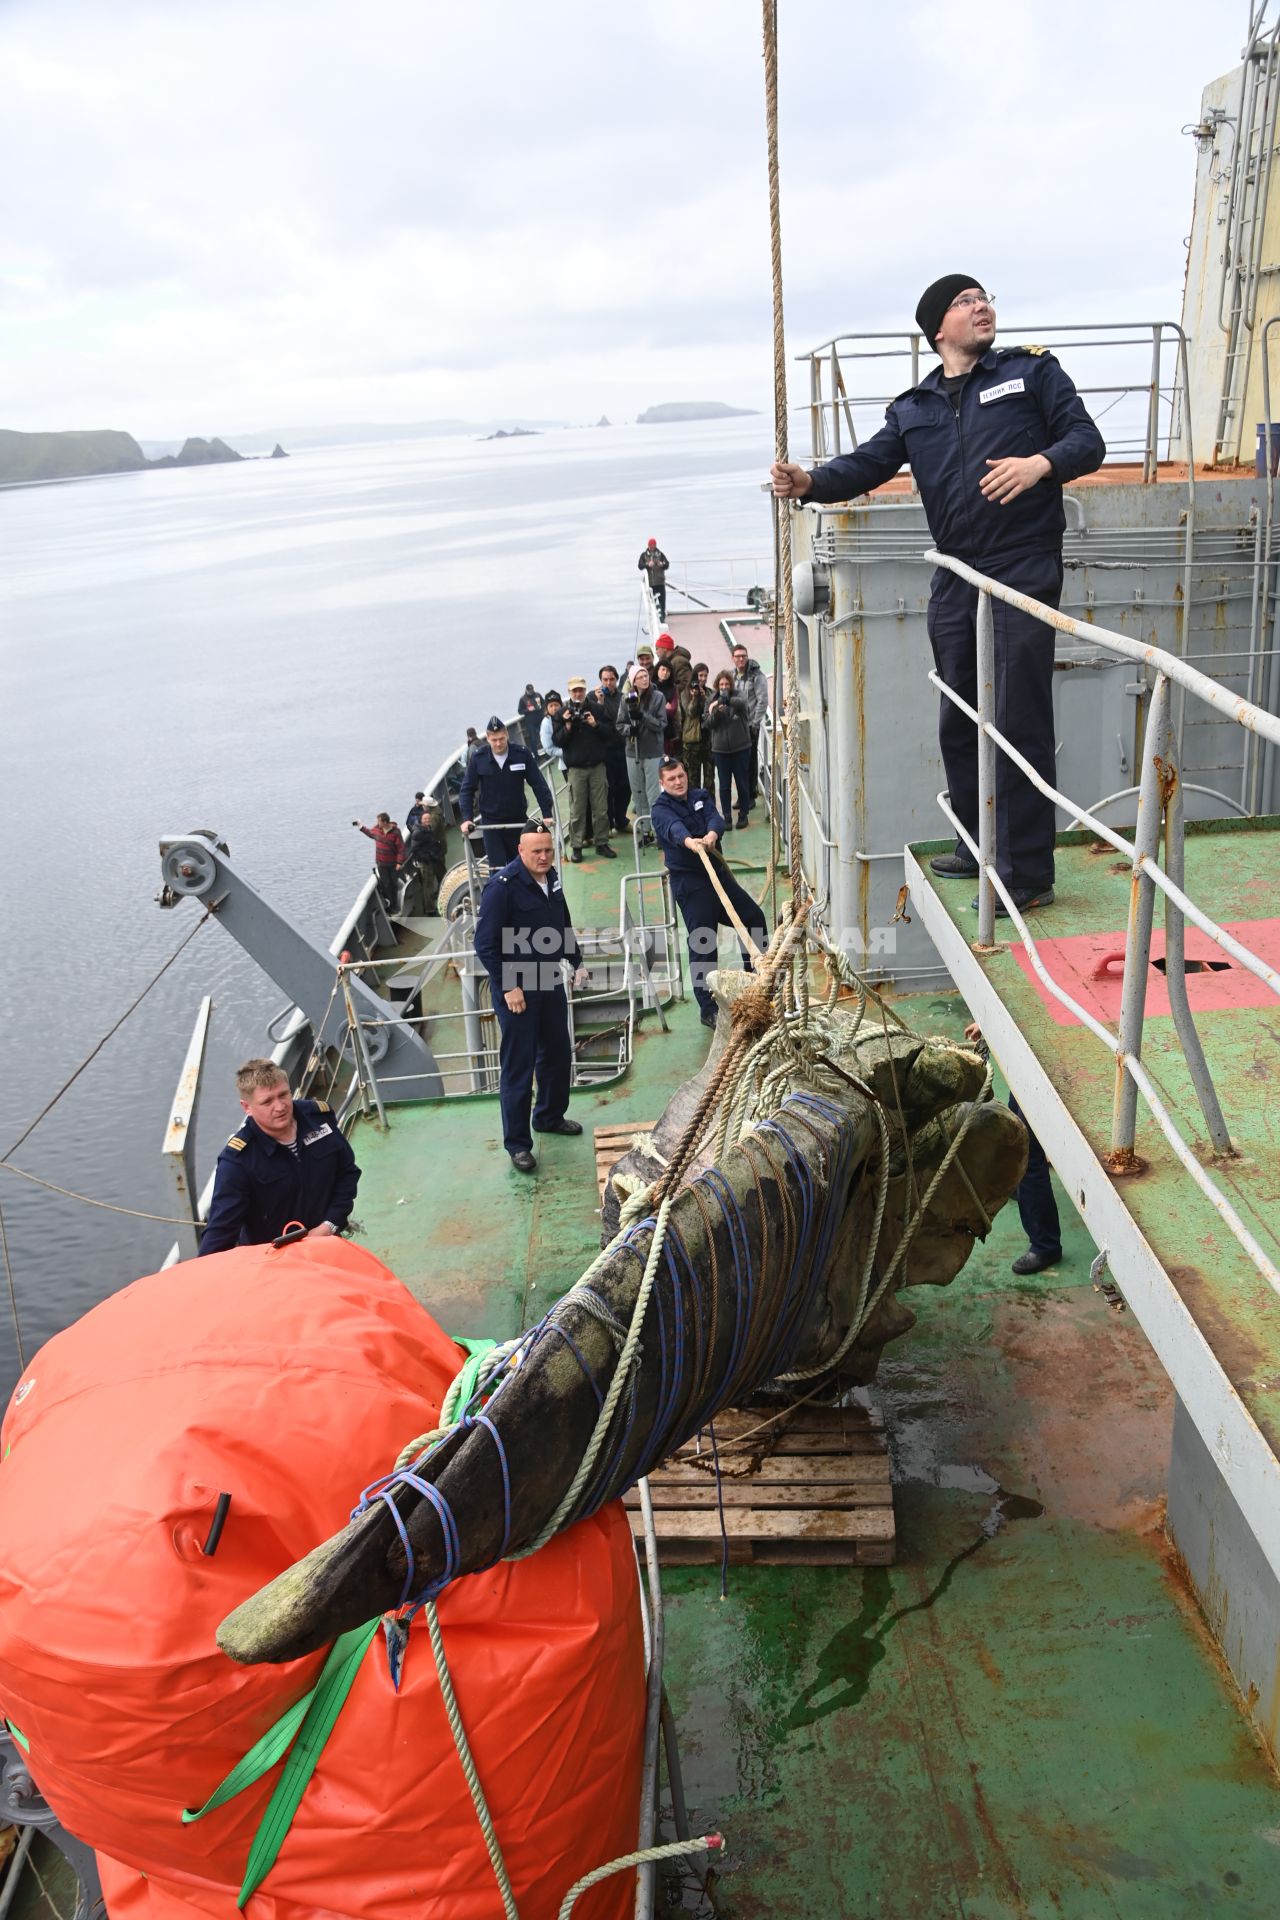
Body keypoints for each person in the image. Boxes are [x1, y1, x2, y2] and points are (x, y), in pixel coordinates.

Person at [772, 276, 1105, 912]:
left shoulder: (1032, 374)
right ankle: (975, 842)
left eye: (985, 298)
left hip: (1020, 565)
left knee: (1018, 719)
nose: (982, 307)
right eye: (965, 302)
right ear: (937, 330)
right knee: (959, 714)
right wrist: (810, 480)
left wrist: (1042, 464)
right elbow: (868, 464)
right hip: (956, 570)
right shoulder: (915, 405)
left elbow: (1086, 442)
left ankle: (1028, 872)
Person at [474, 821, 589, 1173]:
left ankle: (549, 1116)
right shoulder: (502, 887)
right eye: (536, 851)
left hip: (548, 979)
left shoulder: (551, 878)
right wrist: (509, 986)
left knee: (556, 1053)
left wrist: (576, 961)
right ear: (520, 851)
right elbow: (486, 944)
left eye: (547, 850)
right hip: (518, 990)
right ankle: (518, 1145)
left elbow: (561, 923)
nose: (543, 856)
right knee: (519, 1068)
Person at [651, 758, 769, 1030]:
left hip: (719, 875)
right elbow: (673, 828)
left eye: (680, 775)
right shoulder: (660, 809)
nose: (678, 782)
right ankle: (708, 1008)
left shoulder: (699, 796)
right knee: (704, 942)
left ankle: (758, 980)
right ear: (662, 783)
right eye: (671, 779)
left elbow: (714, 817)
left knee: (753, 918)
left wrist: (713, 834)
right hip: (691, 884)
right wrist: (690, 842)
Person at [200, 1059, 360, 1254]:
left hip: (327, 1241)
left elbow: (347, 1174)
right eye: (267, 1101)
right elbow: (220, 1233)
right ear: (247, 1107)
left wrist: (329, 1225)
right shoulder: (238, 1161)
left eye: (283, 1094)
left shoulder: (319, 1118)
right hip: (275, 1262)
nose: (280, 1106)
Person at [964, 1025, 1063, 1273]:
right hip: (1033, 1059)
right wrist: (988, 1021)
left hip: (1043, 1063)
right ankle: (1021, 1191)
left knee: (1028, 1155)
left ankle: (1045, 1245)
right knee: (1016, 1127)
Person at [459, 715, 555, 871]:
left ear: (507, 735)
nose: (498, 743)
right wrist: (467, 818)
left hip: (517, 821)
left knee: (523, 867)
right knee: (497, 871)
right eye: (494, 740)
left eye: (501, 739)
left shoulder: (521, 755)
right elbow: (466, 789)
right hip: (491, 824)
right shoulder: (479, 758)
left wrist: (546, 813)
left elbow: (538, 784)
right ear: (488, 738)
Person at [552, 675, 617, 864]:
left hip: (597, 766)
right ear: (569, 692)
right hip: (576, 769)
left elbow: (610, 734)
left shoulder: (596, 709)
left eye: (581, 690)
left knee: (601, 808)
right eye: (575, 691)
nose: (578, 694)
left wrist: (595, 724)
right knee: (577, 810)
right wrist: (568, 726)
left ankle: (602, 843)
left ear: (584, 689)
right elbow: (557, 741)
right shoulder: (561, 713)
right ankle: (577, 846)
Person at [617, 662, 667, 833]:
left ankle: (659, 829)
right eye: (640, 677)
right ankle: (645, 831)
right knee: (638, 793)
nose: (644, 679)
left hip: (653, 751)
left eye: (646, 675)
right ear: (633, 681)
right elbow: (620, 724)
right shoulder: (626, 699)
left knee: (654, 793)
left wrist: (643, 716)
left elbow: (661, 724)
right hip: (633, 752)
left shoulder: (658, 697)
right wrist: (629, 729)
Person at [705, 669, 753, 829]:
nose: (724, 687)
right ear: (717, 686)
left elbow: (742, 704)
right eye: (721, 684)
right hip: (721, 751)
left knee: (742, 783)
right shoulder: (711, 699)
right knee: (724, 785)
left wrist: (725, 701)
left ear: (730, 685)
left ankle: (743, 814)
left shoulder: (738, 695)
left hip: (740, 748)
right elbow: (708, 723)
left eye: (726, 684)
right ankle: (726, 816)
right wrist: (717, 711)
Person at [730, 642, 769, 806]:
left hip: (749, 727)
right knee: (737, 763)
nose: (741, 659)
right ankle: (742, 796)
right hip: (735, 727)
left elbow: (762, 701)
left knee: (750, 762)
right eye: (737, 656)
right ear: (732, 658)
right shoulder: (732, 676)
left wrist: (755, 724)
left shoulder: (756, 676)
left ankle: (750, 796)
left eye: (743, 656)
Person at [597, 664, 631, 833]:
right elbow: (597, 722)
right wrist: (600, 704)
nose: (609, 682)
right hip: (606, 751)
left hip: (624, 748)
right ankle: (609, 823)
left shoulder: (623, 697)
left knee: (625, 786)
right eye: (605, 679)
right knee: (609, 789)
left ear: (617, 680)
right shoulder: (593, 698)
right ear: (600, 680)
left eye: (612, 679)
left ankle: (621, 819)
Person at [400, 800, 447, 915]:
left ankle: (434, 904)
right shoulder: (418, 832)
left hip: (431, 859)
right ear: (421, 820)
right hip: (426, 862)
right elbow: (415, 849)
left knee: (431, 884)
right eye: (425, 819)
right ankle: (430, 910)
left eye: (428, 818)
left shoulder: (428, 828)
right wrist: (426, 857)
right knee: (428, 886)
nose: (427, 820)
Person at [355, 811, 405, 912]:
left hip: (393, 864)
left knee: (393, 885)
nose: (378, 823)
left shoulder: (395, 832)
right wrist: (361, 827)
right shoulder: (377, 829)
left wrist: (399, 862)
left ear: (385, 822)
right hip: (381, 864)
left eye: (379, 821)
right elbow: (370, 833)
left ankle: (395, 906)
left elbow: (401, 848)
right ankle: (389, 906)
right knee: (386, 885)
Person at [679, 667, 712, 792]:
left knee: (709, 780)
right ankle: (695, 809)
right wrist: (695, 698)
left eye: (705, 676)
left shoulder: (709, 692)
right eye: (700, 676)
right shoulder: (685, 693)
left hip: (708, 741)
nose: (703, 679)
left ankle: (709, 808)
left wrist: (704, 698)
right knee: (693, 781)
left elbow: (712, 712)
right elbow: (690, 713)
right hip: (692, 743)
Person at [654, 657, 681, 756]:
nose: (665, 673)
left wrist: (657, 707)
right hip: (653, 732)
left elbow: (672, 711)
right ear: (657, 670)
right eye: (663, 669)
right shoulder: (651, 687)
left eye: (668, 671)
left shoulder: (673, 688)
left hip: (667, 732)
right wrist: (664, 706)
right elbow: (648, 709)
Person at [638, 537, 669, 617]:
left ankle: (662, 617)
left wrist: (662, 564)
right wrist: (647, 565)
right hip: (651, 584)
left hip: (660, 582)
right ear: (648, 545)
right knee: (652, 602)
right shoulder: (644, 555)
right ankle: (654, 617)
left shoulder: (660, 554)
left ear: (655, 545)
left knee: (662, 602)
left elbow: (667, 564)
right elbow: (640, 566)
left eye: (653, 545)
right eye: (650, 545)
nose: (652, 547)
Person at [517, 684, 545, 755]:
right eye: (529, 690)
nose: (531, 692)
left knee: (543, 736)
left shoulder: (537, 695)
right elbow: (520, 711)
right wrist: (528, 710)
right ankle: (536, 756)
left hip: (540, 719)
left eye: (532, 690)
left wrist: (541, 707)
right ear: (526, 690)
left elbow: (544, 703)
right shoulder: (523, 699)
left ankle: (547, 753)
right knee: (533, 739)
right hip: (530, 722)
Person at [540, 690, 564, 770]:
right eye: (551, 706)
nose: (554, 708)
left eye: (556, 705)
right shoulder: (546, 723)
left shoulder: (568, 716)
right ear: (547, 708)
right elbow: (549, 748)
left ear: (561, 705)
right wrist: (568, 753)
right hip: (566, 763)